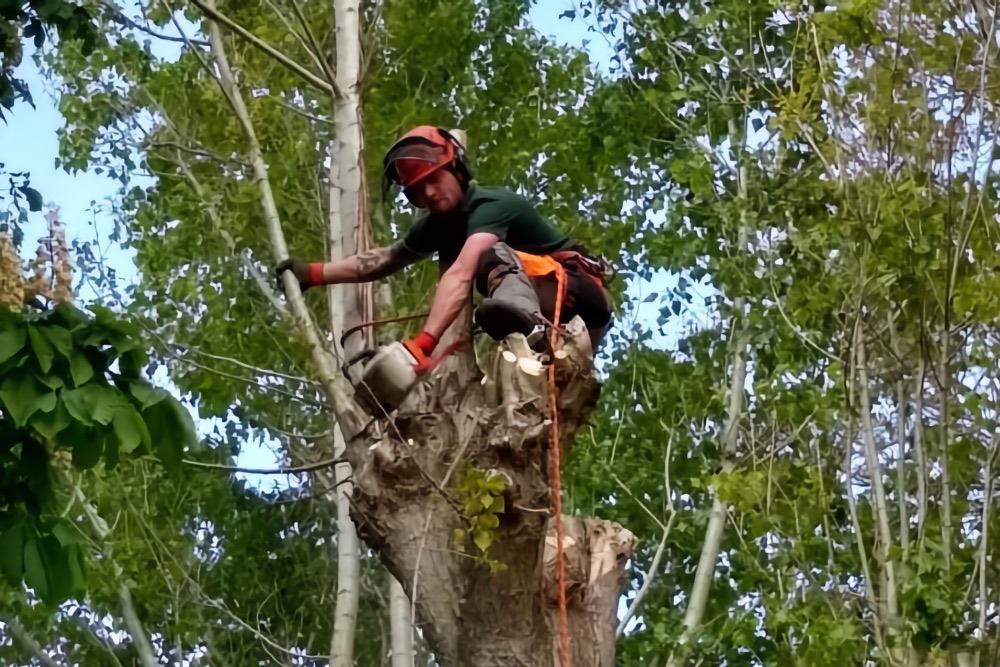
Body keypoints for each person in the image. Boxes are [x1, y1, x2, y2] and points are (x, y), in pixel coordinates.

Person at [276, 126, 613, 371]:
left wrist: (423, 344)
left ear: (456, 168)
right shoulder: (437, 225)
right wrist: (314, 274)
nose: (430, 194)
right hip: (557, 314)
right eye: (418, 191)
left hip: (576, 292)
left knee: (485, 254)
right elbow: (381, 260)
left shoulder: (490, 205)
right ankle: (536, 346)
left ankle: (528, 325)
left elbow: (465, 268)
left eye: (435, 180)